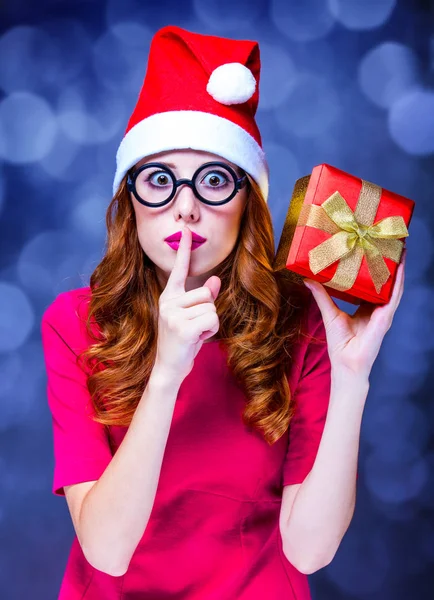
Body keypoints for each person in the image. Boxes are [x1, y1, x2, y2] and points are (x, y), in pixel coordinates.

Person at [41, 24, 406, 600]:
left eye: (214, 180)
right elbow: (107, 552)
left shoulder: (301, 321)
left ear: (247, 204)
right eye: (159, 180)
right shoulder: (74, 323)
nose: (185, 208)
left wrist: (353, 376)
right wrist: (166, 372)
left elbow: (309, 550)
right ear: (128, 200)